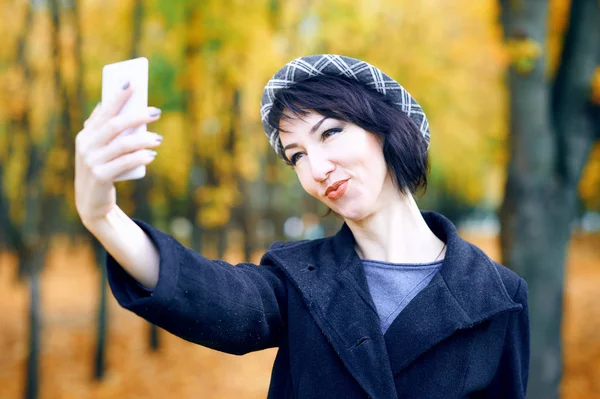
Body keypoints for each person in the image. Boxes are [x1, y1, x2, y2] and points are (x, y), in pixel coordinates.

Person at [75, 54, 529, 398]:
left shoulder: (499, 297)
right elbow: (218, 299)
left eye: (330, 132)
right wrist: (103, 217)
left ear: (388, 128)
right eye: (297, 155)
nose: (317, 168)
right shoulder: (298, 280)